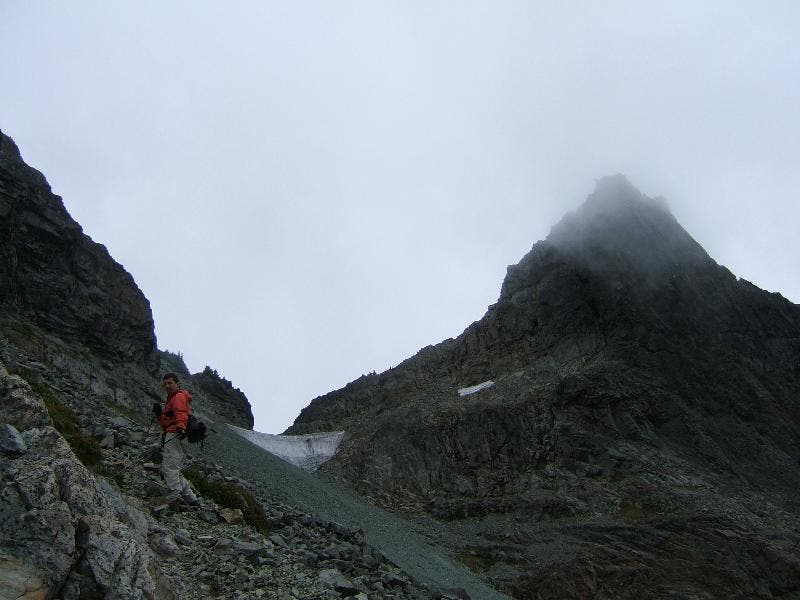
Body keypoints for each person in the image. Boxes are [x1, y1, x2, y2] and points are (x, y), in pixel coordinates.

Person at [154, 372, 199, 506]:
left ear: (177, 384)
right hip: (176, 434)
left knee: (169, 466)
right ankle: (191, 498)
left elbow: (181, 413)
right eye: (165, 384)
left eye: (170, 383)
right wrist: (159, 414)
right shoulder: (173, 398)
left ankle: (173, 496)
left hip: (175, 434)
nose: (167, 386)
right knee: (174, 467)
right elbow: (167, 422)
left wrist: (181, 428)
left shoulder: (178, 397)